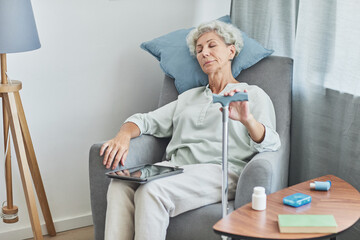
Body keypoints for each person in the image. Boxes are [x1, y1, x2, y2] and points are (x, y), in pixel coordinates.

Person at [100, 20, 281, 240]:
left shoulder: (252, 94)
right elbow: (145, 120)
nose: (204, 53)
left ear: (231, 51)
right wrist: (124, 135)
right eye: (199, 49)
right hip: (174, 169)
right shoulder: (188, 98)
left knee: (152, 192)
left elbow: (271, 143)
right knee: (120, 185)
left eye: (212, 46)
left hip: (220, 170)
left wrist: (247, 119)